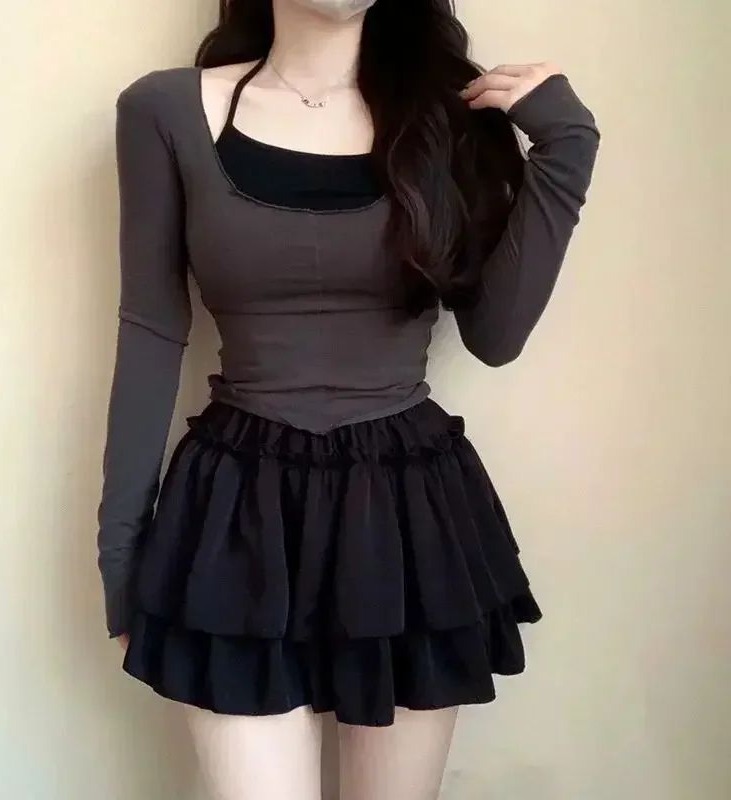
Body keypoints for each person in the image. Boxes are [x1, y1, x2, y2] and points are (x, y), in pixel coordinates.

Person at [96, 0, 600, 797]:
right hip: (235, 515)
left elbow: (496, 335)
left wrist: (567, 145)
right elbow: (152, 331)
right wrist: (122, 556)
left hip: (406, 513)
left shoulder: (447, 118)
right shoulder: (164, 110)